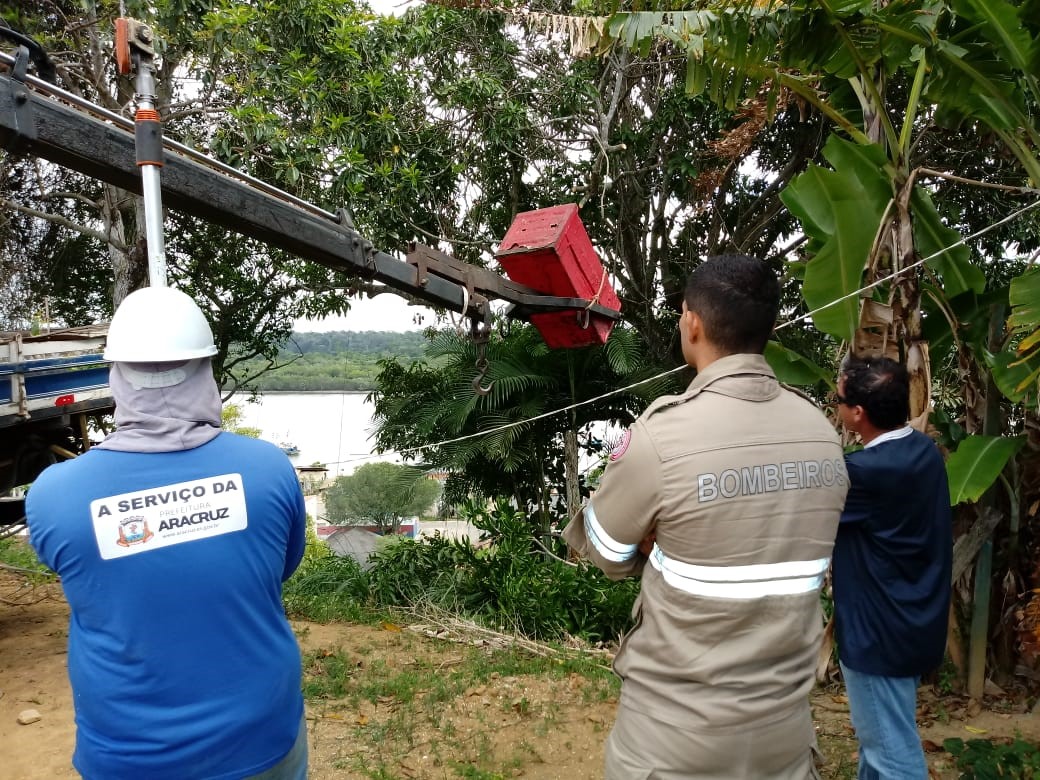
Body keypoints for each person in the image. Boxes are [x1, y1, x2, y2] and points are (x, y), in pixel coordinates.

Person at [564, 254, 849, 779]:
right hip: (783, 737)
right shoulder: (822, 435)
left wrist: (658, 542)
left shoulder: (661, 437)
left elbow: (605, 552)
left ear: (692, 322)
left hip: (672, 741)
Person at [26, 285, 308, 780]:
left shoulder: (55, 495)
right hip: (261, 741)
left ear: (115, 377)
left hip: (129, 757)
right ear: (206, 371)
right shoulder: (268, 470)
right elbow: (277, 570)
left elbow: (85, 579)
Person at [832, 356, 952, 780]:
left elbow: (809, 512)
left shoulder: (864, 473)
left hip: (877, 634)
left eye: (839, 399)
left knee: (892, 754)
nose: (837, 407)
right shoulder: (922, 451)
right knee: (879, 743)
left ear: (858, 414)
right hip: (913, 621)